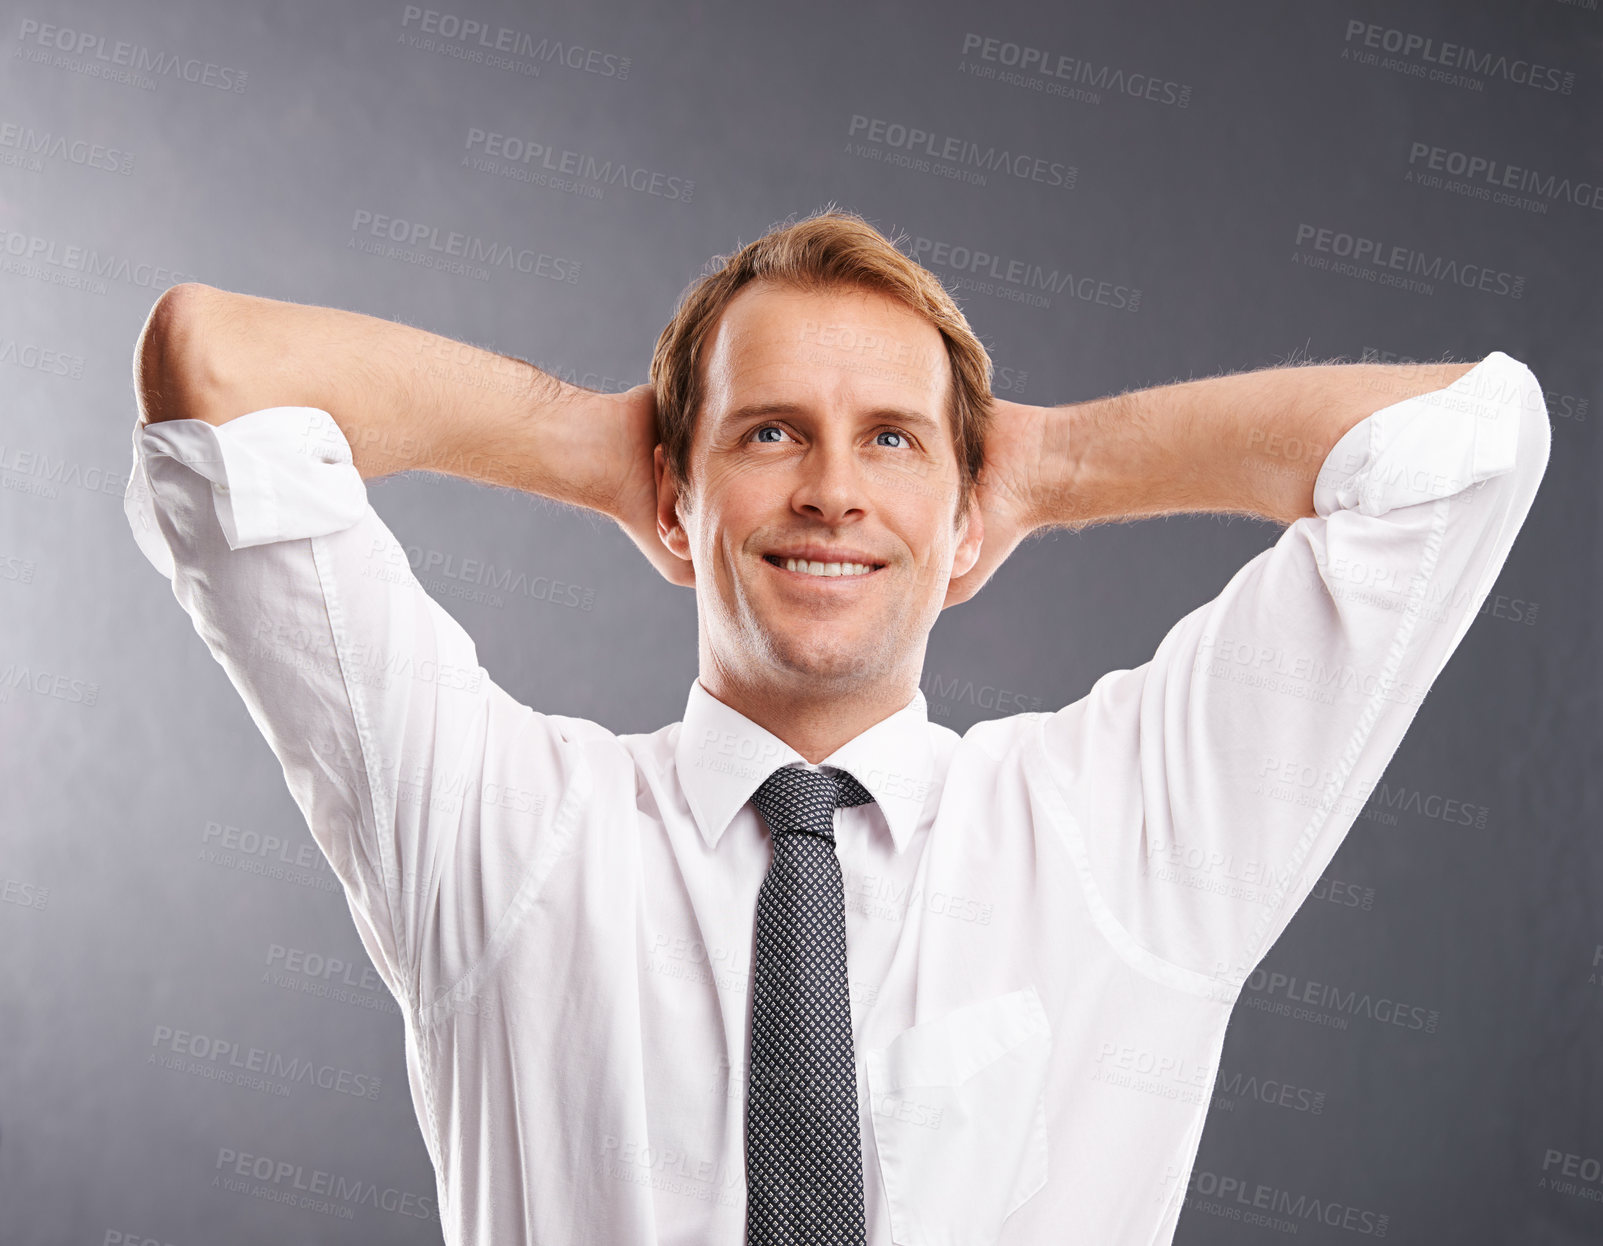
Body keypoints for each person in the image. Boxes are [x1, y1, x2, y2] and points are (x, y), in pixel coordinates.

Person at [125, 208, 1551, 1245]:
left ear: (964, 510)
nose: (830, 490)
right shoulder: (501, 833)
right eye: (768, 433)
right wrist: (605, 449)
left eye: (891, 438)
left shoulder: (1123, 831)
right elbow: (215, 367)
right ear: (680, 495)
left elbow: (1471, 447)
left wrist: (1042, 465)